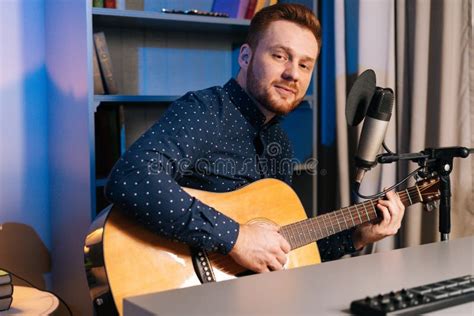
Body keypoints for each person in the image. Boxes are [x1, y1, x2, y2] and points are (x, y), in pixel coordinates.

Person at [105, 4, 405, 273]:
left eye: (304, 64)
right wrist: (236, 237)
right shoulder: (205, 111)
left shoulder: (280, 144)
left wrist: (357, 236)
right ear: (246, 56)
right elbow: (131, 177)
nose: (293, 74)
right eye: (280, 56)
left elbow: (280, 249)